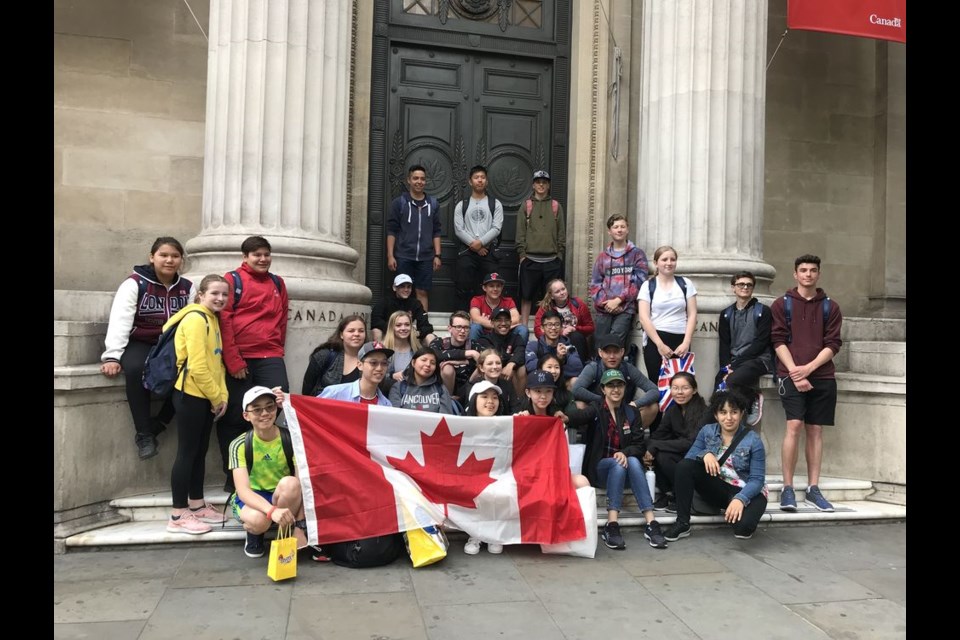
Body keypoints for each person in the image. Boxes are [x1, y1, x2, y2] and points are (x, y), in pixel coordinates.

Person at [100, 237, 195, 460]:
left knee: (191, 372)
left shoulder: (187, 288)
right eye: (164, 255)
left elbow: (192, 322)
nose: (169, 260)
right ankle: (144, 434)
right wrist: (112, 356)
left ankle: (160, 423)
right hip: (141, 341)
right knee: (134, 369)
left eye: (175, 256)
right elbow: (120, 320)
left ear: (181, 260)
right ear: (152, 257)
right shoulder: (135, 283)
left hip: (172, 342)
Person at [770, 254, 843, 513]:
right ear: (795, 274)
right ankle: (787, 488)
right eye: (803, 270)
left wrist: (809, 369)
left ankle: (813, 488)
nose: (808, 274)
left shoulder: (830, 307)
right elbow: (778, 340)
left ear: (818, 274)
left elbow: (833, 344)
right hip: (790, 374)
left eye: (813, 270)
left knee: (815, 430)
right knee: (794, 425)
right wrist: (794, 373)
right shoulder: (782, 304)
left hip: (822, 376)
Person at [565, 369, 668, 550]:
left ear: (625, 388)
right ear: (603, 389)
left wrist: (625, 452)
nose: (615, 389)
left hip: (626, 470)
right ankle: (612, 524)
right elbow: (578, 417)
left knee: (633, 461)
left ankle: (651, 523)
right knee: (618, 464)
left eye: (619, 385)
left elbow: (639, 445)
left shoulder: (632, 412)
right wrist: (563, 416)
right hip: (600, 469)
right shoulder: (596, 408)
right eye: (610, 385)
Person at [218, 236, 290, 493]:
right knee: (235, 415)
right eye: (256, 255)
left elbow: (282, 318)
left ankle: (259, 463)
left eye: (266, 254)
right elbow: (224, 321)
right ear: (245, 257)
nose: (262, 259)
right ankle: (233, 475)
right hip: (240, 358)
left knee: (278, 403)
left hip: (270, 355)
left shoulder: (277, 283)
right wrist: (234, 360)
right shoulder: (232, 280)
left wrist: (277, 347)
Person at [164, 274, 231, 535]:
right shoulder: (194, 319)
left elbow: (218, 363)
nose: (220, 298)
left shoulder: (212, 319)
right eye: (215, 293)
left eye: (225, 294)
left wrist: (221, 396)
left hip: (206, 396)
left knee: (199, 452)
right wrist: (217, 397)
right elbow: (198, 366)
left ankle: (197, 503)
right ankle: (178, 514)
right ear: (201, 294)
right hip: (190, 395)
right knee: (187, 453)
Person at [664, 390, 768, 542]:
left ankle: (736, 508)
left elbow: (757, 480)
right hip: (719, 487)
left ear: (741, 413)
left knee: (742, 530)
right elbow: (689, 460)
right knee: (684, 466)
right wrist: (705, 454)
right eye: (723, 412)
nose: (728, 418)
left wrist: (740, 499)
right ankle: (682, 523)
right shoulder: (707, 431)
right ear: (716, 415)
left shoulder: (753, 440)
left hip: (747, 490)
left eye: (734, 412)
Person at [229, 386, 308, 558]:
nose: (264, 413)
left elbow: (301, 484)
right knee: (258, 521)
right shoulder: (239, 444)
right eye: (257, 410)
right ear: (246, 415)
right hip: (253, 498)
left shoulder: (291, 439)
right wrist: (272, 511)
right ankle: (254, 534)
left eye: (269, 407)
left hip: (281, 494)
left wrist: (300, 525)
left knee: (291, 483)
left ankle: (285, 534)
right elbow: (243, 491)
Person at [644, 372, 710, 510]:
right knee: (648, 450)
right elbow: (657, 435)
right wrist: (651, 447)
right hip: (679, 454)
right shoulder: (672, 411)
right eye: (675, 388)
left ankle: (681, 495)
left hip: (698, 458)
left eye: (685, 388)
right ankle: (669, 493)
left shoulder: (704, 412)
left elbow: (691, 443)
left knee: (662, 454)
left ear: (694, 390)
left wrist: (656, 445)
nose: (679, 392)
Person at [717, 271, 774, 427]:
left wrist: (734, 367)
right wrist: (726, 367)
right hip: (735, 362)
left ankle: (753, 397)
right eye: (741, 284)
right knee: (719, 388)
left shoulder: (763, 311)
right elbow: (724, 344)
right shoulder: (726, 314)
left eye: (749, 284)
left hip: (760, 360)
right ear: (733, 288)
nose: (745, 287)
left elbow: (761, 343)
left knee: (733, 380)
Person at [637, 245, 698, 384]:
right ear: (656, 263)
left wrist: (686, 342)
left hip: (681, 341)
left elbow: (693, 314)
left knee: (682, 385)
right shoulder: (647, 286)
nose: (669, 263)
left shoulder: (686, 284)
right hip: (656, 341)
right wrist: (660, 345)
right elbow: (644, 317)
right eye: (664, 259)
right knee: (657, 384)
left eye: (673, 259)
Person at [386, 164, 442, 312]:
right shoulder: (400, 203)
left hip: (426, 257)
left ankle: (422, 325)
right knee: (402, 292)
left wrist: (437, 255)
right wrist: (390, 255)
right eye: (415, 178)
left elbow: (436, 231)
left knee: (422, 291)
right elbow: (392, 230)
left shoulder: (433, 204)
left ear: (426, 182)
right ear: (409, 180)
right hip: (404, 255)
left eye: (422, 179)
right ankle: (402, 324)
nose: (419, 181)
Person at [572, 335, 659, 430]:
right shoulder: (593, 368)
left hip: (623, 411)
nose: (612, 356)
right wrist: (603, 401)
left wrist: (635, 404)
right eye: (607, 352)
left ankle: (630, 437)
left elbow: (654, 390)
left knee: (653, 407)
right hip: (599, 409)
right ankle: (591, 437)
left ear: (622, 352)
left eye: (616, 352)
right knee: (579, 405)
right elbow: (576, 389)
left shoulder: (628, 368)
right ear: (600, 353)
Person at [588, 214, 649, 348]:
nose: (619, 230)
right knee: (600, 344)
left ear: (627, 229)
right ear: (609, 231)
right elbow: (595, 283)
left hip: (626, 308)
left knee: (614, 344)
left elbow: (640, 282)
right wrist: (607, 304)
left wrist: (618, 300)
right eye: (615, 227)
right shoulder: (602, 257)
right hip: (604, 309)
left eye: (622, 226)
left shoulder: (637, 254)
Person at [462, 380, 507, 554]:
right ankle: (475, 535)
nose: (490, 401)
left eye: (494, 397)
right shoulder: (463, 425)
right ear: (474, 400)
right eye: (484, 397)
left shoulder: (506, 424)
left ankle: (494, 534)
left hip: (499, 473)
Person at [515, 170, 565, 328]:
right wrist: (522, 254)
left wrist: (559, 255)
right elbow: (520, 232)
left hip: (551, 260)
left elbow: (561, 234)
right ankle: (523, 327)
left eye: (544, 182)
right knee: (526, 295)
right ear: (533, 185)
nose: (541, 185)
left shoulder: (556, 206)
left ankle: (547, 325)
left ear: (548, 185)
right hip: (530, 259)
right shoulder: (526, 206)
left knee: (551, 296)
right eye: (538, 182)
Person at [454, 164, 504, 311]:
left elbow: (496, 228)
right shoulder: (461, 205)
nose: (480, 180)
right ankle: (462, 318)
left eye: (483, 177)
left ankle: (489, 318)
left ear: (487, 181)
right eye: (476, 177)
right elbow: (458, 229)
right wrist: (475, 246)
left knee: (491, 286)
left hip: (489, 252)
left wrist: (481, 243)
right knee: (463, 285)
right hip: (467, 252)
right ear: (470, 181)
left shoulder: (495, 204)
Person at [301, 314, 367, 397]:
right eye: (351, 331)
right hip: (323, 408)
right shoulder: (324, 356)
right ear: (341, 335)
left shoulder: (370, 360)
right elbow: (307, 390)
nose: (357, 334)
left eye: (361, 331)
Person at [318, 341, 394, 406]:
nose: (379, 368)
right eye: (373, 363)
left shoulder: (386, 405)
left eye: (384, 363)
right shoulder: (335, 393)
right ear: (360, 365)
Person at [533, 278, 594, 359]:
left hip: (575, 341)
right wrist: (559, 333)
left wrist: (575, 328)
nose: (562, 293)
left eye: (563, 289)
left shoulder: (578, 304)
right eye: (557, 292)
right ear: (551, 296)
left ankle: (580, 367)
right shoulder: (545, 308)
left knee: (576, 336)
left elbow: (590, 327)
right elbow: (538, 330)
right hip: (554, 342)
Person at [525, 309, 584, 388]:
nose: (553, 328)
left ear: (561, 328)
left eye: (557, 324)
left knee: (575, 381)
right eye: (549, 324)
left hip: (561, 385)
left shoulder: (568, 347)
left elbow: (577, 369)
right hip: (540, 384)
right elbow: (530, 366)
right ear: (542, 328)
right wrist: (558, 359)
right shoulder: (533, 346)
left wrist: (558, 363)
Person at [430, 311, 479, 404]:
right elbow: (433, 355)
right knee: (447, 368)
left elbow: (486, 361)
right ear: (449, 328)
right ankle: (448, 401)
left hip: (467, 388)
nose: (463, 331)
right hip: (442, 390)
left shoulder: (474, 345)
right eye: (458, 327)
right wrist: (466, 353)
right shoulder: (439, 343)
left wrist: (463, 362)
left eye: (466, 327)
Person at [371, 274, 436, 344]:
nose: (406, 290)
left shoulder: (415, 304)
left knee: (430, 336)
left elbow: (425, 325)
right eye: (402, 286)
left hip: (408, 333)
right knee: (376, 330)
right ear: (394, 287)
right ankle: (379, 353)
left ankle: (430, 354)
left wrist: (417, 333)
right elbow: (376, 321)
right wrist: (394, 329)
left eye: (409, 287)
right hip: (389, 334)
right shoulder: (384, 302)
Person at [475, 306, 527, 392]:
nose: (503, 323)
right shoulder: (485, 340)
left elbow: (521, 353)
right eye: (499, 320)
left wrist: (511, 364)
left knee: (521, 369)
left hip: (510, 372)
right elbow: (491, 358)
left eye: (506, 320)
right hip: (493, 372)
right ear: (492, 323)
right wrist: (510, 357)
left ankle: (520, 402)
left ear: (510, 323)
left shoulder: (516, 338)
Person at [389, 346, 455, 414]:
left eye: (432, 363)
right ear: (413, 363)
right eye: (424, 360)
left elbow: (445, 418)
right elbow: (395, 417)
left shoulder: (441, 389)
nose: (428, 364)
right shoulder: (399, 387)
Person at [469, 272, 527, 342]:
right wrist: (500, 326)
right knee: (475, 327)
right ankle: (473, 351)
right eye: (491, 286)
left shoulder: (508, 301)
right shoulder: (477, 300)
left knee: (522, 329)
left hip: (505, 335)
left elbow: (516, 319)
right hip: (484, 336)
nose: (495, 289)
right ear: (484, 288)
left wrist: (488, 323)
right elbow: (476, 319)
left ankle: (518, 352)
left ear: (502, 288)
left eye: (498, 286)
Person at [465, 349, 520, 414]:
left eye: (498, 363)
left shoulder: (507, 384)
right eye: (490, 364)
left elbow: (516, 408)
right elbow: (469, 412)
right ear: (481, 368)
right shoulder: (474, 386)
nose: (495, 366)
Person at [383, 310, 421, 387]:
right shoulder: (383, 349)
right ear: (391, 327)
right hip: (389, 392)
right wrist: (392, 376)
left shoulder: (418, 349)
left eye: (407, 324)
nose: (403, 328)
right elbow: (375, 375)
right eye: (398, 325)